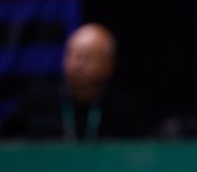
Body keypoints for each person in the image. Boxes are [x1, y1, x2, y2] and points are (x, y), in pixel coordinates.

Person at [0, 23, 148, 141]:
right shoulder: (36, 102)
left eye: (88, 57)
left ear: (108, 65)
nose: (78, 64)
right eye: (73, 54)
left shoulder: (121, 109)